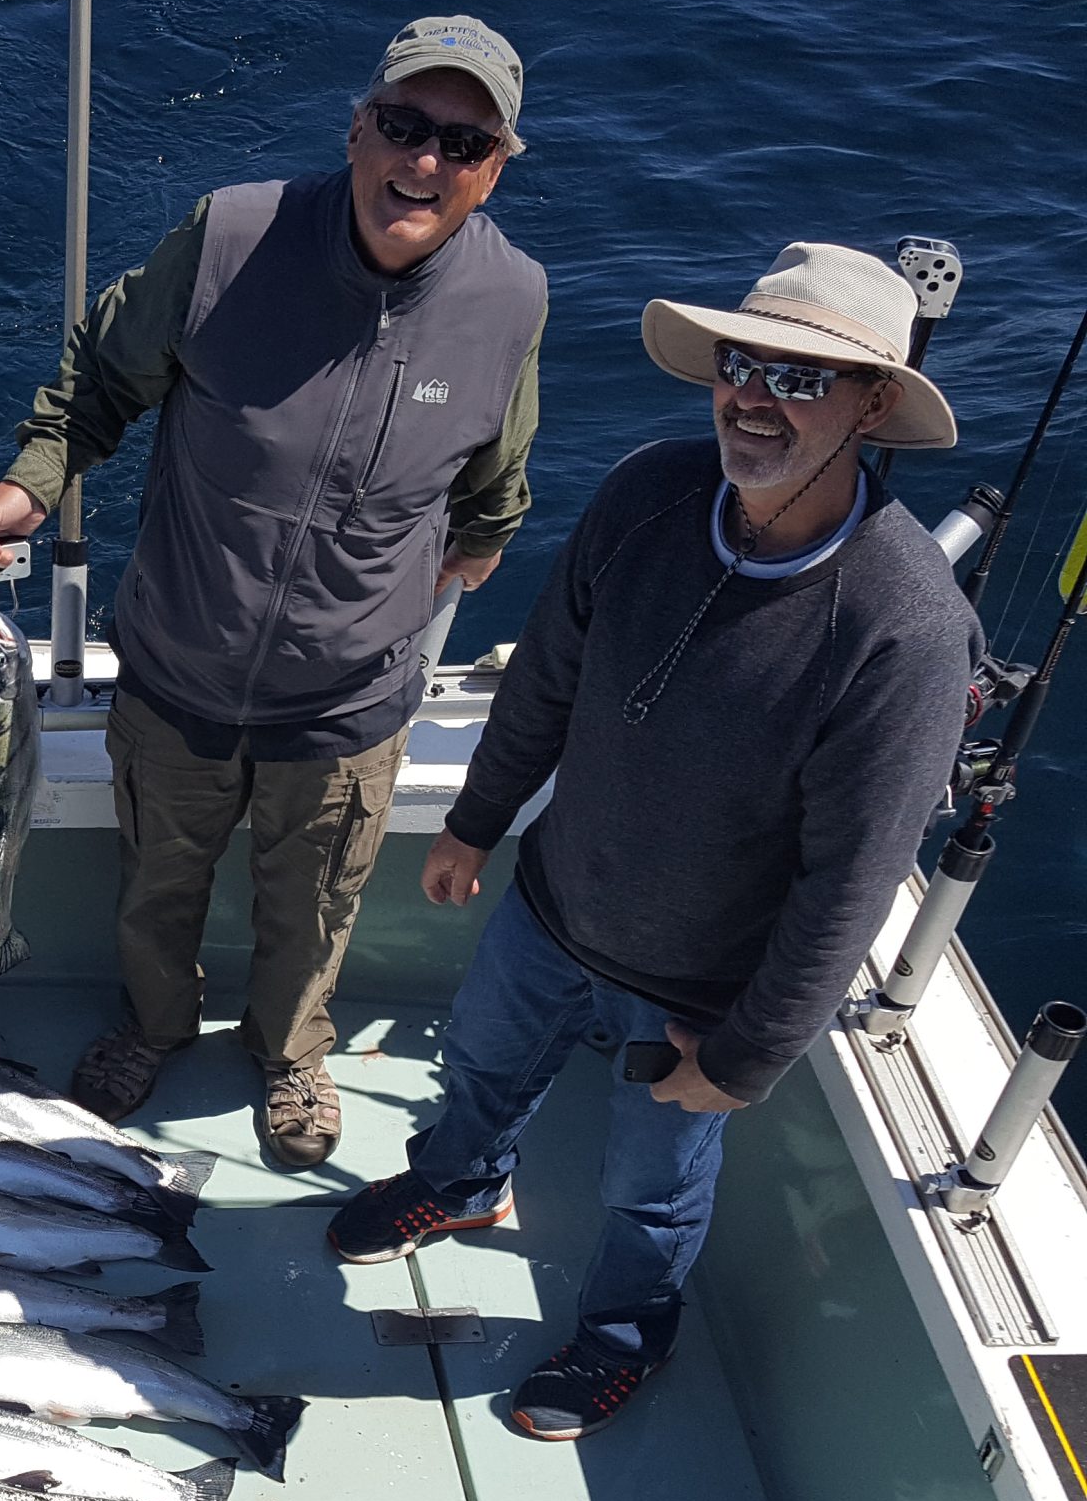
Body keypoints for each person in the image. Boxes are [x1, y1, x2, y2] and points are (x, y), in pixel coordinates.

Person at [326, 242, 982, 1440]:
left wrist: (744, 1056)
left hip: (698, 989)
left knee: (648, 1191)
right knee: (475, 1063)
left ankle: (625, 1338)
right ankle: (460, 1186)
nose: (753, 397)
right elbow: (547, 682)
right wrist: (476, 821)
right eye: (741, 363)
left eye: (800, 378)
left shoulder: (905, 627)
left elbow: (852, 882)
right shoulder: (646, 494)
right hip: (553, 902)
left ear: (873, 405)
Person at [0, 16, 546, 1167]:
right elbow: (96, 386)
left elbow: (496, 484)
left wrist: (470, 554)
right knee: (154, 888)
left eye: (460, 144)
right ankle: (155, 1024)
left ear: (494, 169)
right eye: (403, 125)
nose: (422, 162)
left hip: (347, 706)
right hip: (178, 671)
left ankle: (291, 1052)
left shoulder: (512, 300)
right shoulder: (230, 236)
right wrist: (33, 481)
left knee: (312, 908)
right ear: (358, 125)